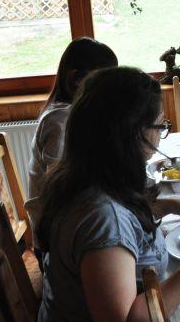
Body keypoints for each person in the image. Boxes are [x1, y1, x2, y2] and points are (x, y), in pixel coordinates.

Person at [36, 67, 180, 322]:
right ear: (131, 133)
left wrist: (167, 205)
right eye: (161, 125)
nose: (161, 133)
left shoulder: (84, 174)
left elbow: (117, 224)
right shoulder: (103, 218)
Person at [28, 37, 118, 202]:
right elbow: (59, 188)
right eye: (103, 81)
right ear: (77, 79)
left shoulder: (75, 113)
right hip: (56, 220)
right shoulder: (60, 122)